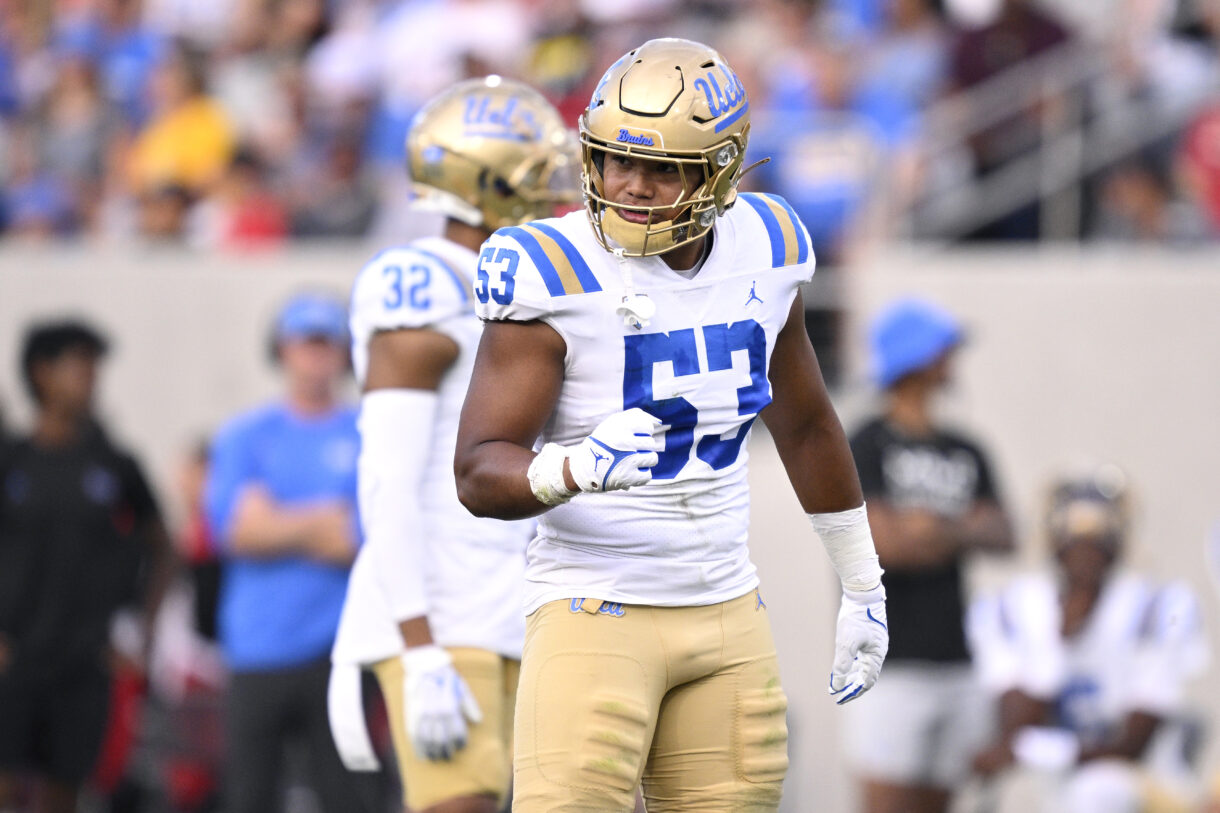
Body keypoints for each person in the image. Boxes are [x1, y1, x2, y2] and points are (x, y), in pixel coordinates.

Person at [453, 38, 890, 813]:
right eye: (615, 159)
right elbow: (478, 470)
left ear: (720, 168)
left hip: (727, 612)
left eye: (661, 168)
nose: (630, 185)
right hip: (593, 610)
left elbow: (808, 426)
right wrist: (573, 467)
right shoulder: (550, 264)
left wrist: (862, 582)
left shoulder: (769, 244)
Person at [326, 76, 578, 813]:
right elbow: (387, 481)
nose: (556, 191)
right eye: (537, 174)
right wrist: (419, 644)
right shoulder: (422, 283)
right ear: (487, 179)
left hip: (524, 598)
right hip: (445, 607)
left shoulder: (526, 279)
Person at [203, 293, 380, 813]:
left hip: (341, 651)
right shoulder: (245, 434)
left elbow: (362, 542)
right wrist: (320, 518)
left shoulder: (366, 432)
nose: (315, 356)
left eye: (327, 344)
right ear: (281, 350)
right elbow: (233, 533)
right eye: (305, 343)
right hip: (257, 649)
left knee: (351, 797)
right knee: (249, 796)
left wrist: (275, 520)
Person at [845, 298, 1014, 813]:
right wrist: (962, 527)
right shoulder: (866, 443)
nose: (952, 360)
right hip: (885, 662)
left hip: (956, 660)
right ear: (917, 360)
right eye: (944, 350)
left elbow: (1005, 533)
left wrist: (928, 526)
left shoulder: (967, 448)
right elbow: (883, 544)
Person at [0, 320, 174, 813]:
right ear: (42, 374)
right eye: (79, 367)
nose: (91, 379)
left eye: (95, 368)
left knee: (65, 792)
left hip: (84, 661)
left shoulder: (114, 463)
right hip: (14, 658)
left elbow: (164, 546)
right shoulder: (11, 460)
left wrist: (142, 629)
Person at [968, 467, 1209, 812]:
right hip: (1052, 781)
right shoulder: (1015, 606)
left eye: (1096, 543)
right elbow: (1015, 725)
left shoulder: (1157, 608)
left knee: (1098, 791)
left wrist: (1045, 751)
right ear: (1052, 539)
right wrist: (1059, 638)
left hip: (1141, 781)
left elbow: (1133, 744)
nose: (1085, 554)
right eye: (1074, 541)